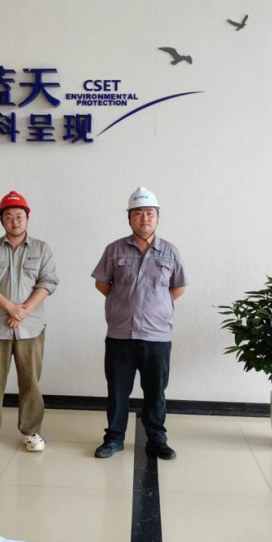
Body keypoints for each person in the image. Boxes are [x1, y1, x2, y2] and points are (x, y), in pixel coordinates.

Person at [91, 187, 187, 460]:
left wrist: (156, 306)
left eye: (149, 213)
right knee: (117, 390)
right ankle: (114, 439)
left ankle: (156, 440)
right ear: (129, 218)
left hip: (157, 335)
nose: (144, 218)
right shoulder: (114, 250)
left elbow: (178, 287)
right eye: (138, 213)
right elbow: (102, 283)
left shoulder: (170, 251)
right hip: (120, 333)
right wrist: (124, 303)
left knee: (156, 391)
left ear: (157, 217)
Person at [0, 191, 59, 453]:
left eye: (19, 216)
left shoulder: (41, 248)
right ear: (1, 220)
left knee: (30, 382)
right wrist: (9, 307)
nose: (14, 222)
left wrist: (23, 311)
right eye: (8, 217)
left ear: (27, 218)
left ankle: (31, 432)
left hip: (31, 328)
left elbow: (48, 282)